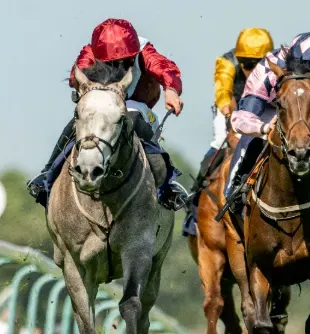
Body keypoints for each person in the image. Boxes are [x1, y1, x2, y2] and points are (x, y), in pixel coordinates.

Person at [26, 18, 188, 210]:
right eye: (112, 63)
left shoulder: (144, 50)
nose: (119, 65)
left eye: (125, 60)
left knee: (132, 114)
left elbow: (165, 68)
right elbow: (75, 76)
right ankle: (47, 174)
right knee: (75, 122)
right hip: (103, 106)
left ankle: (167, 185)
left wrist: (171, 90)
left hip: (137, 106)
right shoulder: (90, 52)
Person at [226, 32, 310, 214]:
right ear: (291, 62)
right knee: (248, 142)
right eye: (306, 67)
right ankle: (234, 186)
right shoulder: (269, 67)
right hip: (272, 109)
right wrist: (264, 128)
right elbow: (240, 119)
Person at [182, 27, 273, 236]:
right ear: (238, 58)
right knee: (219, 141)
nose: (253, 70)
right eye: (248, 64)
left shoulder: (277, 64)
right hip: (233, 108)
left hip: (264, 111)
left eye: (259, 63)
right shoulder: (226, 62)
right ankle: (194, 205)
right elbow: (224, 92)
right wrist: (230, 116)